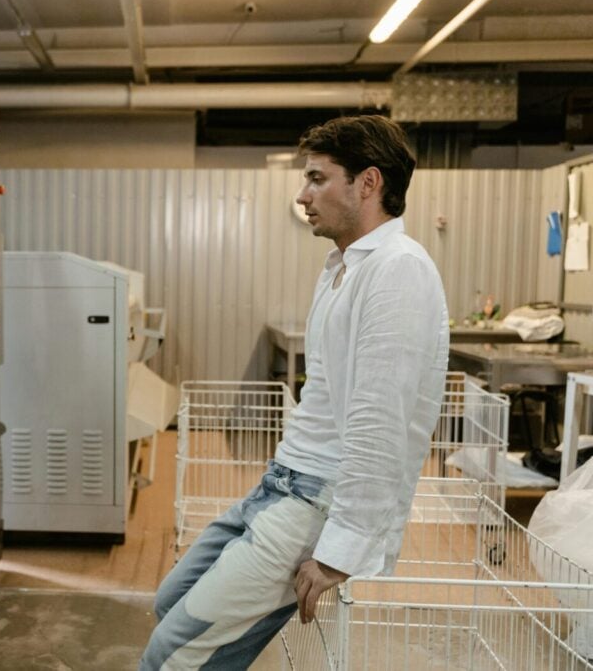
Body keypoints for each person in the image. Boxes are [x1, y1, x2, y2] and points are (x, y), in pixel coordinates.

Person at [140, 115, 450, 669]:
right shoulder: (341, 268)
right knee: (170, 604)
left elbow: (380, 423)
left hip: (315, 500)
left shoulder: (399, 271)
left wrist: (337, 554)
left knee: (172, 652)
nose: (302, 195)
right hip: (281, 482)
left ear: (368, 183)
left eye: (317, 178)